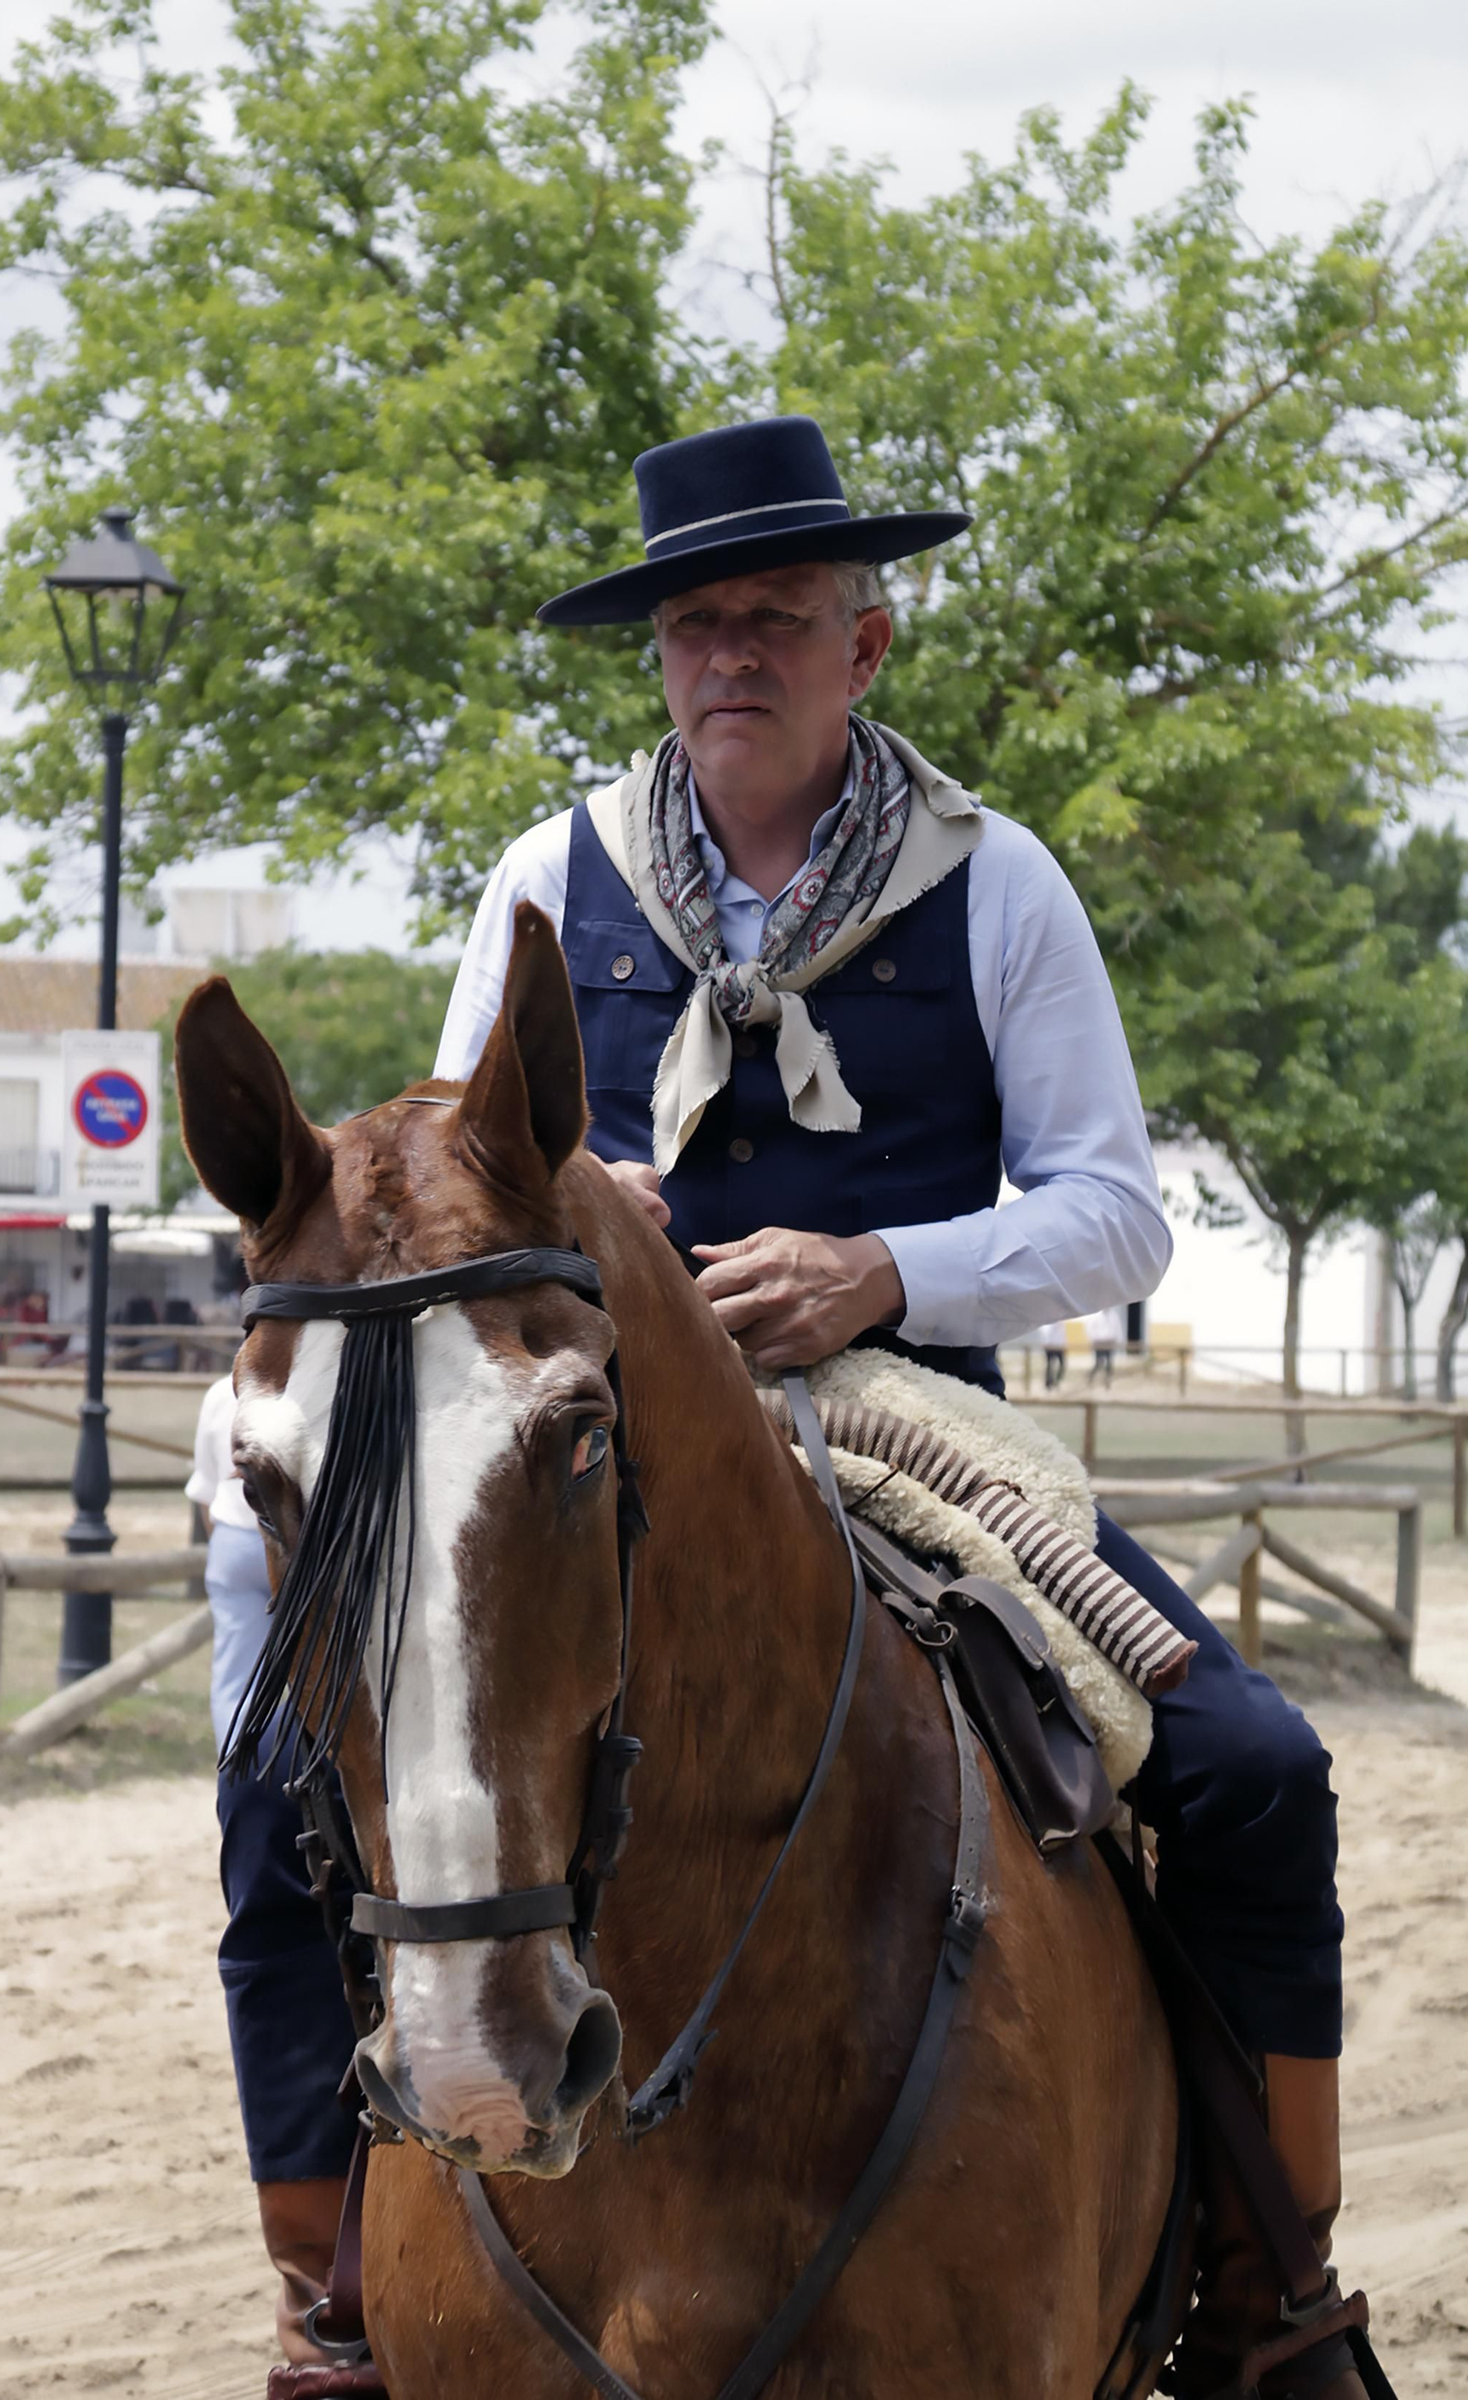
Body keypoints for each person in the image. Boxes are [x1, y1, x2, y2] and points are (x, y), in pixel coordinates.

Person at [433, 416, 1370, 2397]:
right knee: (317, 1782)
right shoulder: (548, 879)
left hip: (907, 1423)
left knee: (1248, 1773)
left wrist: (884, 1270)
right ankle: (340, 2295)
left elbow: (1113, 1213)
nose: (729, 657)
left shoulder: (994, 883)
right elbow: (461, 1185)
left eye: (775, 617)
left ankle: (1270, 2298)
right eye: (694, 626)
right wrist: (579, 1213)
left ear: (863, 648)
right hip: (608, 1436)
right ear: (659, 657)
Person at [187, 1376, 361, 2377]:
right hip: (282, 1771)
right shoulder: (236, 1401)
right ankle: (325, 2308)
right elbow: (239, 1621)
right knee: (275, 1820)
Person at [1088, 1301, 1123, 1386]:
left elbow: (1117, 1328)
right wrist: (1093, 1339)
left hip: (1109, 1342)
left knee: (1109, 1362)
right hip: (1099, 1342)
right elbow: (1090, 1328)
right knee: (1098, 1363)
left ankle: (1108, 1380)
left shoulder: (1114, 1315)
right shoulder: (1096, 1315)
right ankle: (1091, 1377)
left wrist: (1118, 1340)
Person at [1036, 1318, 1068, 1391]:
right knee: (1050, 1365)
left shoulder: (1062, 1321)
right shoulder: (1048, 1321)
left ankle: (1056, 1381)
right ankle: (1049, 1383)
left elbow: (1063, 1334)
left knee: (1061, 1365)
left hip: (1059, 1346)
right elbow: (1045, 1332)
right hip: (1050, 1346)